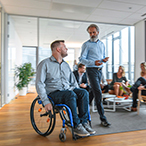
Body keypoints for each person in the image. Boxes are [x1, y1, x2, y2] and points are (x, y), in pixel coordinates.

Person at [35, 40, 95, 137]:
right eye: (64, 47)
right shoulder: (44, 64)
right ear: (58, 49)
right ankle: (76, 125)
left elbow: (73, 82)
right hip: (54, 93)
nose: (66, 49)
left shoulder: (66, 65)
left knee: (83, 92)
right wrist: (45, 101)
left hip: (68, 90)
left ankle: (84, 123)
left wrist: (78, 92)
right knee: (70, 94)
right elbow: (39, 83)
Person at [79, 24, 110, 127]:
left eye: (93, 32)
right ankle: (103, 118)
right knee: (98, 93)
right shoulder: (86, 45)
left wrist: (104, 60)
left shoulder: (102, 44)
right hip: (91, 70)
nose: (91, 34)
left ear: (97, 32)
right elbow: (82, 59)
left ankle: (82, 111)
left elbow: (102, 57)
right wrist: (93, 63)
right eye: (90, 33)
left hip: (100, 70)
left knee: (92, 92)